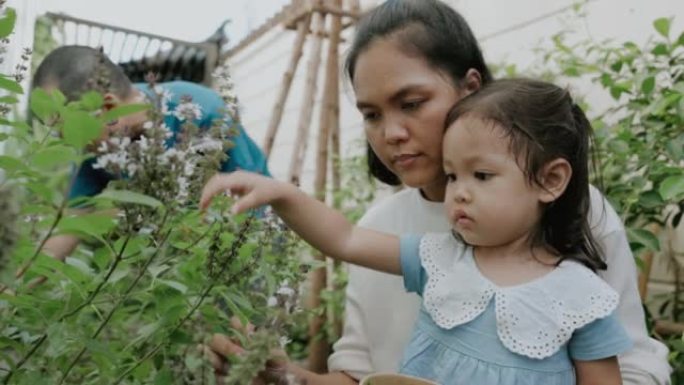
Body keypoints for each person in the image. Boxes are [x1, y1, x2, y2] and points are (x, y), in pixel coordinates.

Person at [204, 1, 671, 384]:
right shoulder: (385, 232)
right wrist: (286, 376)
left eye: (411, 104)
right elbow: (358, 375)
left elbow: (632, 365)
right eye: (371, 115)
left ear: (469, 87)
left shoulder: (581, 212)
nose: (391, 133)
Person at [28, 45, 271, 264]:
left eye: (67, 131)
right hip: (180, 247)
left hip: (253, 233)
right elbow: (73, 221)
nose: (71, 144)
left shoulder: (201, 113)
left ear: (109, 108)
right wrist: (17, 285)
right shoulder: (94, 144)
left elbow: (249, 206)